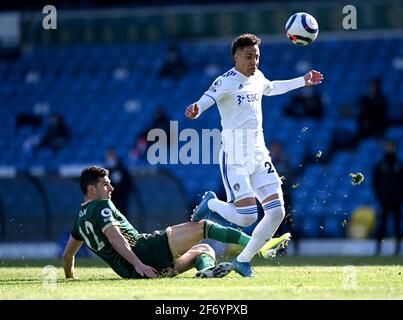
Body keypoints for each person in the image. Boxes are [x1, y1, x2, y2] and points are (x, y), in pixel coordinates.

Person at [185, 33, 323, 276]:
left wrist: (303, 80)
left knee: (277, 212)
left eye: (257, 57)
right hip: (234, 156)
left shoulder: (258, 77)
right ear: (236, 57)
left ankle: (243, 261)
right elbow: (206, 100)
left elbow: (271, 88)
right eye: (249, 57)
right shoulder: (225, 81)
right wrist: (196, 110)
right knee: (248, 217)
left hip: (259, 155)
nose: (254, 62)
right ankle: (212, 203)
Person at [62, 166, 290, 279]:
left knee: (204, 249)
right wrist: (138, 263)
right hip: (144, 254)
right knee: (202, 228)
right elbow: (115, 237)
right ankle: (258, 245)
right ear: (91, 190)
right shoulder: (101, 206)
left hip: (139, 271)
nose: (111, 188)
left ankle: (206, 273)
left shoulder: (79, 223)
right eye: (105, 185)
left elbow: (67, 256)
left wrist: (70, 278)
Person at [373, 141, 402, 255]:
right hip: (384, 200)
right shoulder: (380, 165)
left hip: (397, 200)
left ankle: (398, 248)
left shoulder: (399, 165)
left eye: (392, 146)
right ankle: (378, 248)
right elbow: (375, 182)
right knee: (382, 225)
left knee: (397, 225)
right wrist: (380, 195)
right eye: (388, 146)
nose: (390, 148)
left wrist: (400, 196)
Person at [105, 148, 133, 216]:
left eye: (110, 156)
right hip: (110, 200)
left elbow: (128, 183)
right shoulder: (106, 170)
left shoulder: (122, 169)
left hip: (121, 200)